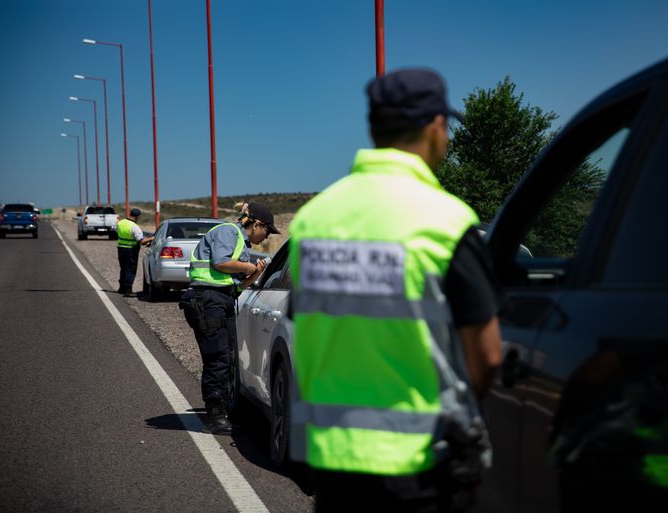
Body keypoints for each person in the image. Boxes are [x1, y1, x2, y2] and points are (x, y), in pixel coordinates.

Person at [288, 68, 503, 512]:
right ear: (435, 126)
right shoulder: (446, 221)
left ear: (373, 128)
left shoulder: (313, 219)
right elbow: (487, 357)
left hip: (333, 463)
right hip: (420, 466)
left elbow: (305, 321)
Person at [180, 202, 279, 434]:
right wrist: (247, 266)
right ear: (257, 224)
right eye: (267, 231)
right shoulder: (228, 232)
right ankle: (215, 417)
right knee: (218, 359)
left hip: (221, 298)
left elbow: (235, 288)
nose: (266, 237)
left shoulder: (241, 243)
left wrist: (255, 274)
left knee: (228, 358)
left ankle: (223, 411)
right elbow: (221, 263)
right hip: (207, 299)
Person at [116, 207, 154, 297]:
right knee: (131, 269)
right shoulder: (134, 227)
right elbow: (142, 241)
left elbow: (116, 232)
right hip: (131, 250)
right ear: (137, 217)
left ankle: (121, 288)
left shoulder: (120, 223)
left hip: (121, 249)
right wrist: (152, 238)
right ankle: (128, 290)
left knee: (123, 268)